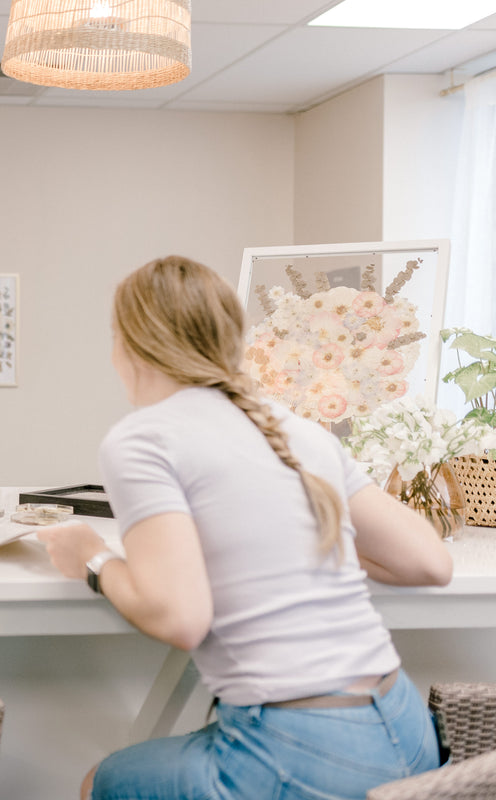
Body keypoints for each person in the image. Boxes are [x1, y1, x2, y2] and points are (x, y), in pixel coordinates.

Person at [38, 255, 453, 800]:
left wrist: (91, 557)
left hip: (301, 749)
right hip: (408, 730)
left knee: (104, 782)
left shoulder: (142, 439)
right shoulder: (303, 433)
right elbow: (430, 561)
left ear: (131, 346)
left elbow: (181, 618)